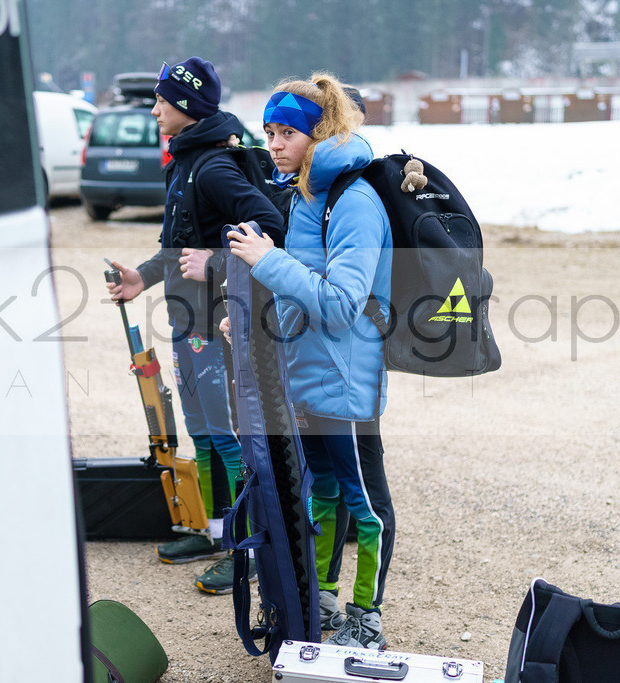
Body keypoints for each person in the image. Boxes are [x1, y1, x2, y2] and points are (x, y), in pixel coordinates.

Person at [224, 73, 395, 649]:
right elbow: (304, 296)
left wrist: (268, 262)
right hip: (311, 376)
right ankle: (320, 598)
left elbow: (343, 306)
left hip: (349, 380)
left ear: (319, 133)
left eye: (287, 132)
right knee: (322, 490)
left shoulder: (355, 201)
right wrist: (251, 325)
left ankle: (366, 616)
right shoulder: (306, 196)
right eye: (269, 130)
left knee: (364, 502)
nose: (272, 143)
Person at [107, 56, 285, 594]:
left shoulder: (213, 166)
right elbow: (176, 246)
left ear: (185, 107)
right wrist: (143, 277)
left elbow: (271, 227)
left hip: (218, 323)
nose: (155, 108)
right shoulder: (183, 160)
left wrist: (215, 262)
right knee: (202, 431)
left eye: (162, 100)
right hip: (187, 322)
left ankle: (244, 549)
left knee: (228, 437)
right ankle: (213, 533)